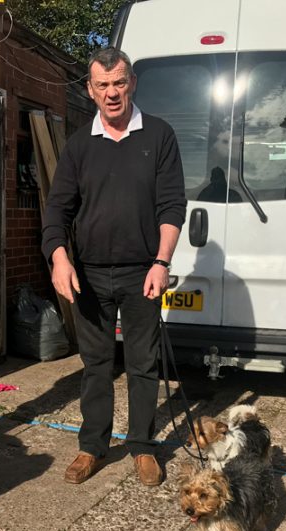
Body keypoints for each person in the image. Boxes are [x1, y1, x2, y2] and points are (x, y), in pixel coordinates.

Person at [41, 47, 187, 486]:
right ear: (89, 90)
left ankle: (142, 447)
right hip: (88, 274)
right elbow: (56, 211)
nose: (111, 92)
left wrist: (162, 261)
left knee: (143, 363)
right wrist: (59, 258)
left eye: (119, 82)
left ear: (132, 83)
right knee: (96, 365)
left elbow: (172, 205)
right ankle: (92, 446)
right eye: (102, 84)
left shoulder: (159, 136)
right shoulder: (78, 146)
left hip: (143, 271)